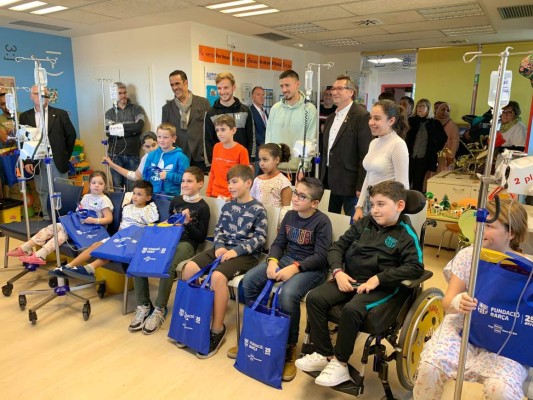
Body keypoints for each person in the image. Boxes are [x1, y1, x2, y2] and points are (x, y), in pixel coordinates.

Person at [295, 180, 424, 387]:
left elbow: (416, 267)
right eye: (372, 205)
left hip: (382, 287)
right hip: (351, 279)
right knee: (315, 298)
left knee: (352, 309)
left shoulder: (406, 235)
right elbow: (337, 247)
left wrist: (378, 278)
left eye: (381, 204)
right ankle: (324, 354)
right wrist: (338, 272)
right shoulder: (364, 224)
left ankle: (340, 363)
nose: (375, 210)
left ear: (399, 206)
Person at [414, 200, 529, 400]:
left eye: (489, 226)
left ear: (511, 233)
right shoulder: (468, 256)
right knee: (430, 367)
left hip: (507, 339)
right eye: (479, 223)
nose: (479, 229)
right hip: (464, 326)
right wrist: (457, 302)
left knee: (502, 390)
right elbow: (447, 303)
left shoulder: (526, 269)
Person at [240, 177, 332, 382]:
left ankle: (289, 348)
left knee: (288, 295)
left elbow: (321, 256)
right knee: (249, 282)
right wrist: (273, 261)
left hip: (311, 268)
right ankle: (260, 332)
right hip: (287, 260)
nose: (295, 198)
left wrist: (295, 268)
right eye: (295, 192)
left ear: (315, 203)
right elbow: (279, 244)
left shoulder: (322, 222)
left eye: (302, 196)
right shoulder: (290, 215)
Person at [179, 164, 267, 359]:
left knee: (218, 277)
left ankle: (217, 329)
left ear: (248, 183)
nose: (230, 186)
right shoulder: (227, 206)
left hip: (246, 256)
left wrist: (235, 251)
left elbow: (259, 239)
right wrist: (219, 245)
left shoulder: (258, 209)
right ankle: (195, 321)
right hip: (222, 249)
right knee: (189, 268)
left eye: (234, 182)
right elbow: (218, 230)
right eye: (229, 182)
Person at [129, 167, 210, 335]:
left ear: (200, 184)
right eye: (183, 181)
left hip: (187, 243)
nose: (185, 184)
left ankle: (159, 309)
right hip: (169, 239)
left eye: (189, 181)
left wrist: (187, 223)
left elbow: (201, 237)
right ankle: (143, 305)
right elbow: (168, 224)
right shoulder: (176, 200)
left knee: (169, 266)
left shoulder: (203, 207)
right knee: (141, 257)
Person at [48, 180, 159, 281]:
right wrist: (116, 237)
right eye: (134, 193)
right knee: (96, 245)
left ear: (148, 198)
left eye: (139, 195)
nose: (135, 197)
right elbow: (122, 225)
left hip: (133, 239)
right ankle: (68, 267)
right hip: (120, 236)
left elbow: (151, 227)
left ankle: (89, 269)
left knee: (109, 251)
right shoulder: (127, 208)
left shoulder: (149, 209)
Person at [6, 171, 113, 265]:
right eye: (94, 183)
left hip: (89, 230)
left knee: (61, 234)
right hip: (78, 224)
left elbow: (109, 219)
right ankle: (25, 248)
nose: (96, 186)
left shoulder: (104, 200)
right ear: (89, 184)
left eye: (100, 183)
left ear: (105, 185)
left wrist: (95, 220)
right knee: (52, 227)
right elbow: (79, 210)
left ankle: (40, 255)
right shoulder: (86, 197)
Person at [20, 85, 77, 220]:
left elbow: (71, 136)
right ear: (31, 96)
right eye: (36, 94)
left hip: (57, 158)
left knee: (62, 189)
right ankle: (47, 218)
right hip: (37, 160)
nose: (40, 97)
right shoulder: (25, 116)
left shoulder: (60, 114)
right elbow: (24, 141)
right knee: (43, 190)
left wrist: (64, 155)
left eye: (44, 94)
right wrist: (27, 160)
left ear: (48, 97)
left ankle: (64, 218)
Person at [319, 75, 372, 219]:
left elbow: (365, 154)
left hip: (350, 183)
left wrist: (361, 185)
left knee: (353, 224)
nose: (334, 92)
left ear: (351, 92)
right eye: (333, 88)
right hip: (329, 181)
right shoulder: (331, 118)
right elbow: (326, 151)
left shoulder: (361, 116)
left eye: (340, 88)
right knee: (330, 220)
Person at [354, 100, 410, 221]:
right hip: (370, 203)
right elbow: (369, 176)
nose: (371, 122)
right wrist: (359, 206)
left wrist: (395, 215)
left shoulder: (397, 144)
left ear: (391, 121)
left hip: (387, 208)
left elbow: (403, 185)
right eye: (371, 118)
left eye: (377, 118)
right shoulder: (374, 142)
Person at [265, 70, 318, 173]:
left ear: (297, 84)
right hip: (275, 169)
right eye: (281, 86)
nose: (284, 89)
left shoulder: (309, 109)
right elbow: (269, 138)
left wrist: (303, 168)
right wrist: (268, 162)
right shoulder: (275, 108)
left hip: (298, 171)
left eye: (287, 85)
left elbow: (311, 140)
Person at [162, 70, 210, 171]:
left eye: (177, 83)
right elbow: (165, 134)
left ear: (186, 83)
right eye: (172, 85)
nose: (174, 88)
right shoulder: (167, 108)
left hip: (201, 157)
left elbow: (211, 130)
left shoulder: (203, 103)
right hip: (179, 156)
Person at [204, 72, 255, 167]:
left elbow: (252, 137)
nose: (222, 92)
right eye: (219, 88)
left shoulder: (245, 110)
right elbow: (207, 140)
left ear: (234, 87)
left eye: (226, 87)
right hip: (221, 165)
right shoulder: (211, 113)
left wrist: (251, 162)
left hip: (241, 164)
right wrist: (210, 165)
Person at [105, 82, 145, 192]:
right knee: (117, 186)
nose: (123, 96)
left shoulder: (137, 109)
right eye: (120, 93)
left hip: (132, 152)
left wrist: (119, 128)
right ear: (114, 95)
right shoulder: (109, 113)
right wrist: (130, 130)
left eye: (124, 92)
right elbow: (109, 131)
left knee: (133, 187)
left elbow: (139, 126)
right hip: (115, 154)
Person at [406, 98, 447, 193]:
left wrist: (435, 149)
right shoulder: (410, 121)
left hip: (424, 158)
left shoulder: (434, 123)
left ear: (428, 108)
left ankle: (416, 204)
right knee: (406, 181)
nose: (419, 109)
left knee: (418, 182)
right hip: (409, 156)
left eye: (422, 106)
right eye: (418, 107)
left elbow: (443, 138)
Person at [206, 115, 249, 199]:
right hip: (214, 194)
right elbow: (213, 172)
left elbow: (245, 178)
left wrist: (234, 197)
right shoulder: (216, 147)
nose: (219, 133)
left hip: (232, 196)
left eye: (223, 129)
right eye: (217, 130)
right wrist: (208, 193)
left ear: (233, 130)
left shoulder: (242, 150)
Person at [143, 123, 190, 196]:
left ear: (174, 138)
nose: (161, 140)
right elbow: (145, 176)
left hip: (171, 197)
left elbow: (185, 179)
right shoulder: (151, 155)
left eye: (165, 137)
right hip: (152, 195)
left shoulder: (181, 157)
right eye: (159, 137)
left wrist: (167, 175)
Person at [250, 143, 292, 208]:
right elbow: (251, 201)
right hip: (258, 217)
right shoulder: (257, 180)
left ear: (277, 160)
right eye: (260, 160)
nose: (261, 164)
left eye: (265, 160)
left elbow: (286, 209)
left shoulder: (283, 182)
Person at [435, 101, 459, 172]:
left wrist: (451, 156)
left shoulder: (452, 125)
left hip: (446, 157)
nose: (445, 112)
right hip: (433, 156)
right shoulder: (434, 122)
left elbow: (455, 142)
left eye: (448, 110)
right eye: (443, 109)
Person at [250, 86, 268, 170]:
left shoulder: (264, 112)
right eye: (258, 95)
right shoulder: (250, 111)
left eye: (263, 95)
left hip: (267, 151)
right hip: (257, 153)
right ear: (252, 97)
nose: (262, 97)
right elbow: (254, 134)